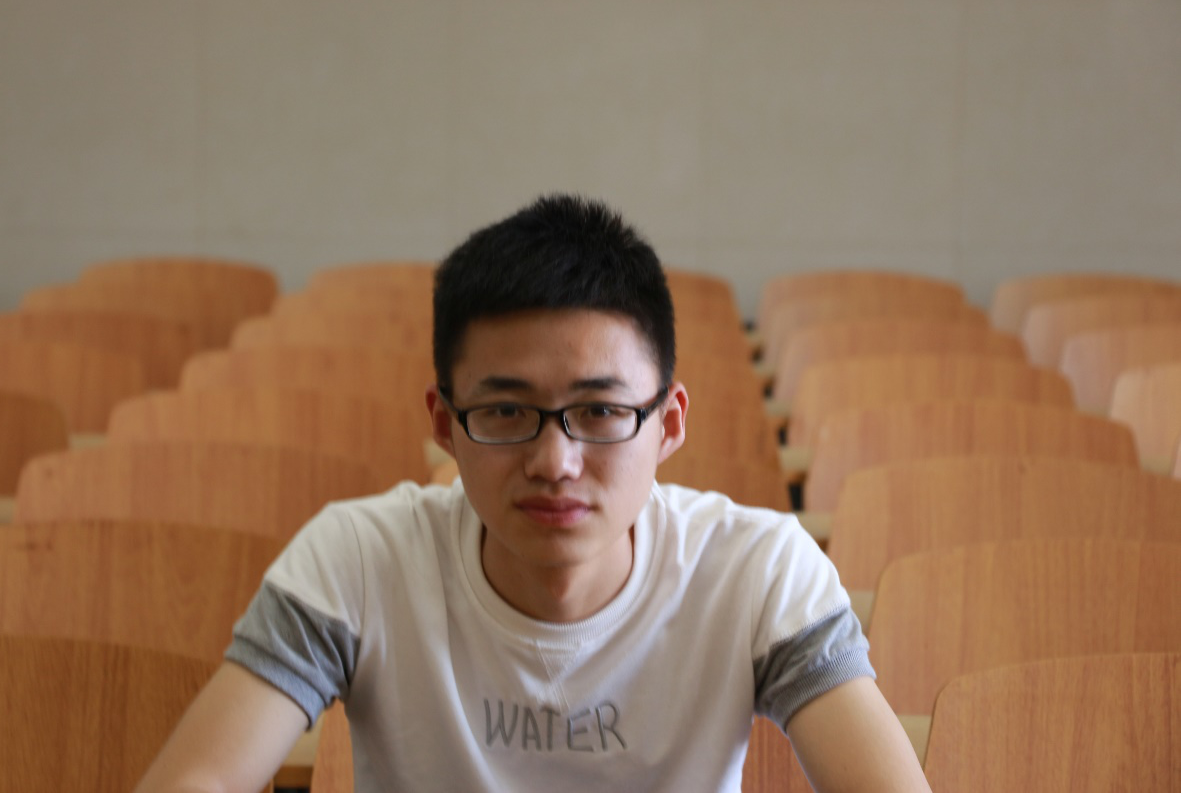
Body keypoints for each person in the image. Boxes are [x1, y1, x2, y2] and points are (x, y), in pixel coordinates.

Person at [135, 195, 929, 792]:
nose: (554, 462)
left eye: (600, 412)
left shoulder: (757, 570)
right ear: (444, 425)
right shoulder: (359, 560)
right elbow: (199, 779)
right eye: (506, 412)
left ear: (668, 423)